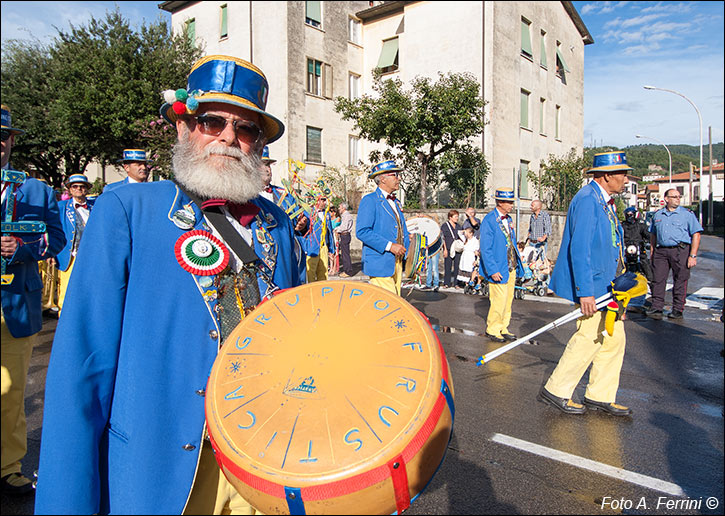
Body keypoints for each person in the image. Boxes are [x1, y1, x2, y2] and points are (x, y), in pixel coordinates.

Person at [35, 55, 300, 515]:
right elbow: (83, 369)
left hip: (262, 465)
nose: (228, 138)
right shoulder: (127, 211)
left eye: (246, 129)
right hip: (161, 468)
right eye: (211, 121)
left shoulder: (276, 223)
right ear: (183, 127)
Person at [1, 104, 66, 496]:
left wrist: (21, 246)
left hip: (15, 307)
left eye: (4, 136)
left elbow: (56, 240)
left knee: (10, 392)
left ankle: (8, 466)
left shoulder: (35, 190)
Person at [539, 151, 632, 416]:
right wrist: (585, 292)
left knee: (613, 339)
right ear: (606, 176)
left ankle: (599, 395)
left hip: (610, 286)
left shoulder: (606, 201)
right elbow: (580, 250)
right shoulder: (588, 200)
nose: (626, 179)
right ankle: (556, 390)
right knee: (588, 337)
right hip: (594, 286)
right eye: (622, 174)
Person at [647, 188, 703, 320]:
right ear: (666, 199)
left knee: (680, 279)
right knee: (658, 279)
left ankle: (677, 309)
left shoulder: (687, 214)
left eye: (679, 196)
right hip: (661, 251)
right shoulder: (658, 215)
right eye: (674, 197)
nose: (678, 199)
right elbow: (653, 235)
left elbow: (696, 234)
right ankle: (657, 307)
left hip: (680, 250)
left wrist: (693, 255)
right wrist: (653, 252)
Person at [356, 160, 410, 296]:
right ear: (383, 179)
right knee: (391, 306)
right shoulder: (370, 200)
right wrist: (390, 246)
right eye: (395, 175)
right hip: (379, 263)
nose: (399, 178)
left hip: (396, 262)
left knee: (393, 303)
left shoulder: (396, 202)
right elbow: (362, 232)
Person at [479, 188, 524, 343]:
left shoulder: (509, 219)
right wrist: (492, 270)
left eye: (512, 202)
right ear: (500, 202)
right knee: (498, 300)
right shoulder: (489, 220)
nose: (511, 205)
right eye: (509, 202)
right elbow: (485, 248)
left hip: (510, 266)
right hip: (498, 267)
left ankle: (503, 327)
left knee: (508, 300)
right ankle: (492, 329)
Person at [260, 145, 308, 284]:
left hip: (292, 256)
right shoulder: (245, 197)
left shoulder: (283, 193)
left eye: (268, 165)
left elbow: (301, 220)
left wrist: (302, 224)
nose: (267, 169)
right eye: (262, 165)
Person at [55, 174, 96, 312]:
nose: (79, 189)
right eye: (75, 186)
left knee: (90, 293)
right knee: (65, 295)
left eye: (82, 186)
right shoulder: (61, 207)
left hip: (91, 258)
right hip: (70, 256)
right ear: (70, 190)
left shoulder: (95, 207)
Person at [621, 206, 652, 312]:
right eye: (628, 215)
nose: (630, 217)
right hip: (627, 251)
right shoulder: (623, 226)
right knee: (621, 269)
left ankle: (655, 297)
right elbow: (619, 235)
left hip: (639, 250)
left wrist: (649, 239)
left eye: (631, 214)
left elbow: (647, 234)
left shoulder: (640, 225)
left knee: (647, 268)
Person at [304, 195, 336, 282]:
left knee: (323, 272)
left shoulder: (327, 214)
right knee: (310, 273)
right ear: (316, 201)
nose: (324, 202)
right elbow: (302, 231)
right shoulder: (308, 213)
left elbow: (330, 232)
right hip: (312, 248)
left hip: (324, 246)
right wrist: (305, 247)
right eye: (322, 200)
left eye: (325, 200)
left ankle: (322, 293)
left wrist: (331, 249)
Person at [441, 210, 463, 288]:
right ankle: (447, 283)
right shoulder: (445, 226)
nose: (457, 218)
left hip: (456, 248)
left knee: (457, 266)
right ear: (450, 217)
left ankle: (456, 283)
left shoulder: (458, 226)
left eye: (457, 216)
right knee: (448, 266)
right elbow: (443, 238)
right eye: (455, 216)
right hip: (449, 248)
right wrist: (445, 249)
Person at [334, 201, 354, 277]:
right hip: (344, 235)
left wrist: (337, 229)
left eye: (340, 207)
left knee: (345, 254)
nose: (339, 209)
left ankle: (348, 271)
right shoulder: (344, 215)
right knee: (344, 254)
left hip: (345, 235)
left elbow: (344, 227)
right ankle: (347, 270)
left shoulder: (346, 215)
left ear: (343, 207)